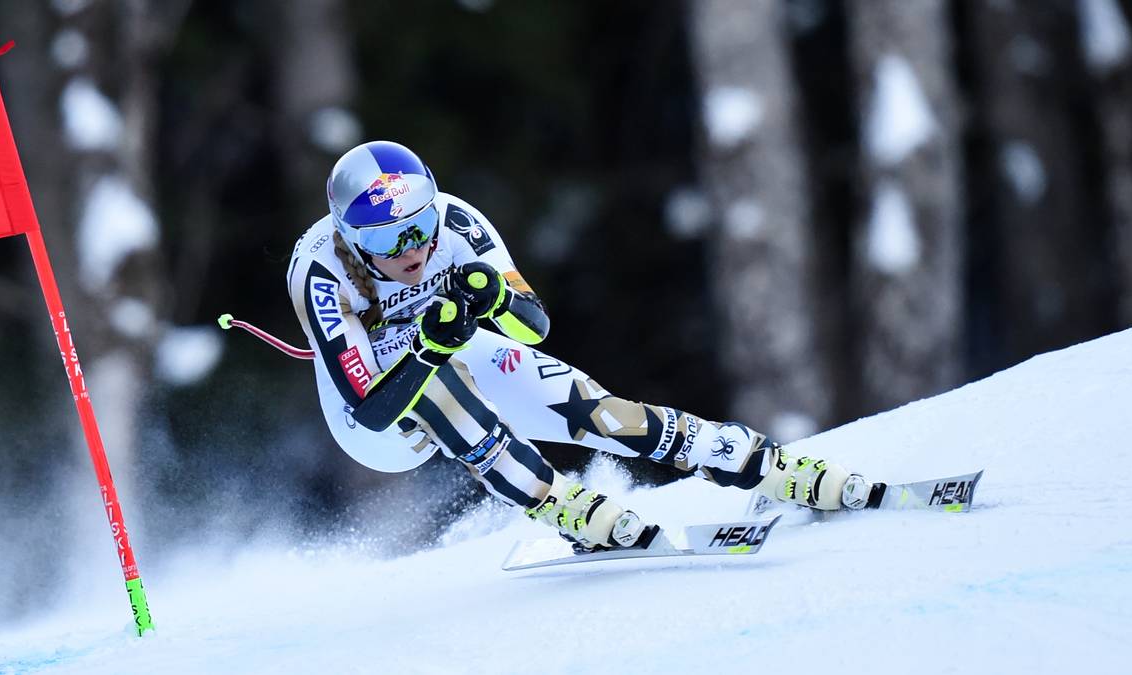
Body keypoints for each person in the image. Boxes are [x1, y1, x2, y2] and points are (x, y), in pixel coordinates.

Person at [287, 140, 880, 551]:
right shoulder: (319, 273)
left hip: (448, 350)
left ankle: (752, 462)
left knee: (592, 409)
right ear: (349, 238)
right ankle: (560, 503)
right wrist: (427, 349)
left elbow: (533, 324)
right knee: (440, 387)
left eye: (418, 226)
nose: (412, 250)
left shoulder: (458, 222)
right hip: (375, 413)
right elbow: (369, 408)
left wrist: (493, 296)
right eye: (387, 240)